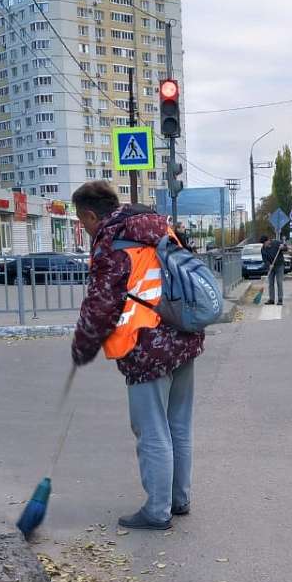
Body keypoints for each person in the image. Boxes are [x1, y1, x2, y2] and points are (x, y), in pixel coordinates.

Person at [70, 181, 205, 531]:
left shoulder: (112, 241)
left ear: (89, 215)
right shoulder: (159, 226)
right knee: (178, 425)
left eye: (81, 222)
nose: (84, 229)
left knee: (152, 430)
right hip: (184, 336)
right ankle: (179, 499)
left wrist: (83, 344)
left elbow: (102, 302)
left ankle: (158, 511)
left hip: (145, 346)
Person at [260, 234, 286, 306]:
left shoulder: (276, 243)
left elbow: (285, 248)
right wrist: (269, 265)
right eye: (263, 244)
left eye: (264, 243)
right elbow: (265, 260)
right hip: (271, 267)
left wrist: (282, 247)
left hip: (279, 265)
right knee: (270, 283)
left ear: (268, 241)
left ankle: (280, 299)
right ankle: (271, 299)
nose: (264, 245)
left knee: (279, 282)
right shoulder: (263, 249)